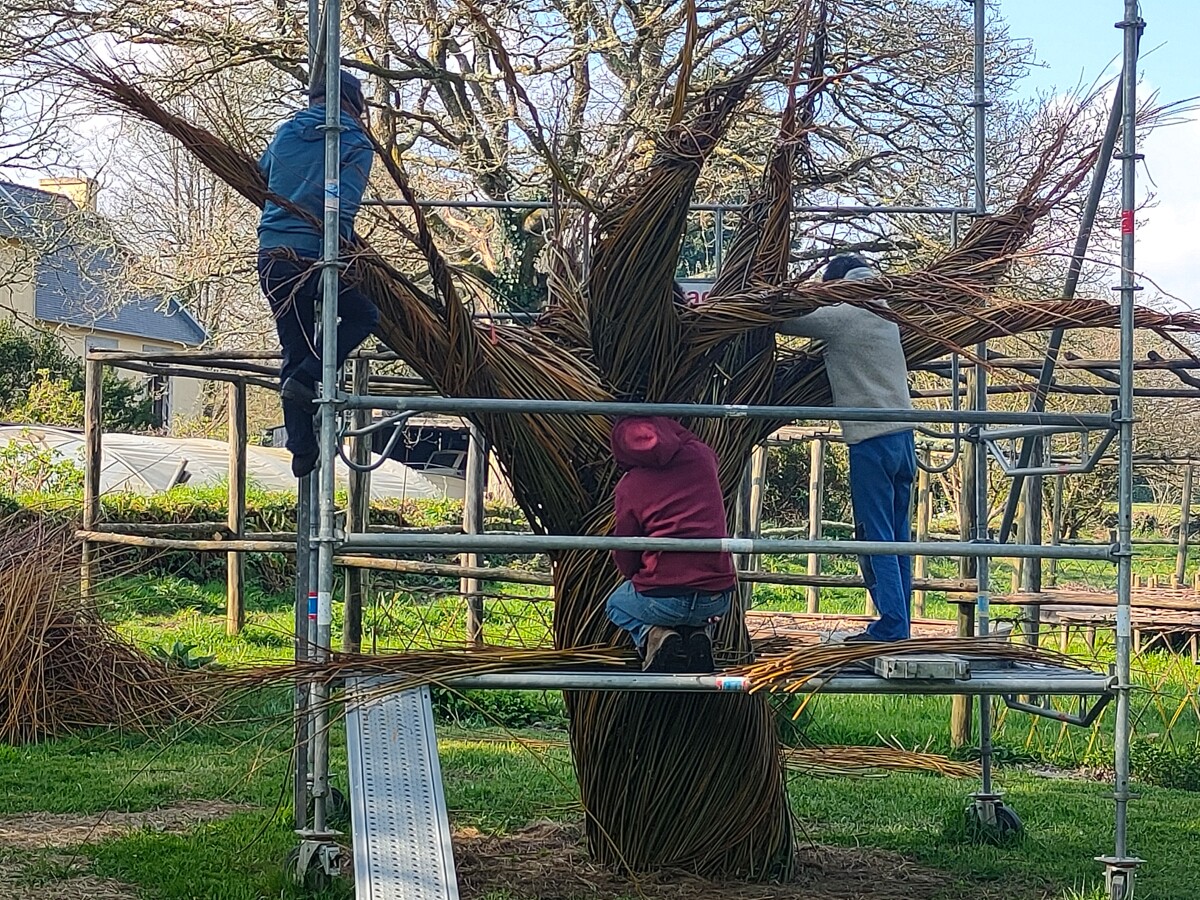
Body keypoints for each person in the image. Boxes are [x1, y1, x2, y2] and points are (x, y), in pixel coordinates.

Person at [777, 254, 917, 642]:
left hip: (872, 443)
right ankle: (900, 623)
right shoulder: (885, 312)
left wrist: (785, 293)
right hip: (905, 440)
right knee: (897, 538)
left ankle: (890, 625)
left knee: (876, 538)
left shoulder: (845, 313)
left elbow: (783, 319)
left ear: (837, 285)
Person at [257, 69, 379, 478]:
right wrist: (338, 246)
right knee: (364, 315)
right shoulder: (355, 142)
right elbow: (342, 203)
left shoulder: (287, 132)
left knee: (292, 347)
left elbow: (263, 176)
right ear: (353, 104)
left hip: (273, 257)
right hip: (314, 259)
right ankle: (313, 372)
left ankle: (301, 451)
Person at [605, 416, 736, 672]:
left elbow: (625, 548)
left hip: (663, 602)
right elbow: (694, 442)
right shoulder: (702, 458)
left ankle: (654, 635)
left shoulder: (629, 486)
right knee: (699, 604)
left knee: (616, 604)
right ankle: (701, 634)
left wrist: (634, 575)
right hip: (716, 599)